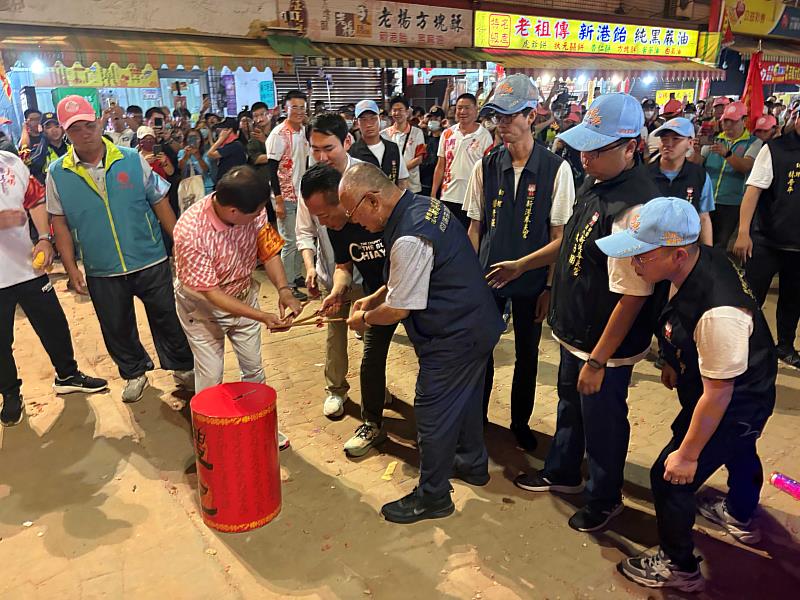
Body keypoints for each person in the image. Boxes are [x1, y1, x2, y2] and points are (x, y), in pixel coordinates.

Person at [602, 199, 776, 592]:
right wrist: (673, 360)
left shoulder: (719, 312)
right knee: (742, 450)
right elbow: (682, 319)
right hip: (737, 386)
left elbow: (718, 396)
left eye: (641, 255)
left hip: (734, 402)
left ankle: (679, 566)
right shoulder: (700, 260)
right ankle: (739, 514)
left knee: (670, 477)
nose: (634, 264)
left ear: (678, 254)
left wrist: (688, 454)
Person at [512, 93, 663, 532]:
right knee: (569, 406)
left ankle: (605, 496)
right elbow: (574, 240)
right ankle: (562, 472)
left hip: (605, 345)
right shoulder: (597, 184)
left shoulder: (634, 209)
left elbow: (633, 296)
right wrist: (526, 264)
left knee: (604, 423)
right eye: (584, 146)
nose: (586, 156)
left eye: (598, 149)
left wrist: (599, 360)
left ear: (631, 147)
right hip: (576, 330)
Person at [340, 162, 505, 524]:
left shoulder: (409, 234)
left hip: (455, 334)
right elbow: (409, 276)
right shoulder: (421, 206)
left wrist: (364, 319)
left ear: (372, 200)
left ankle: (433, 496)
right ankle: (473, 463)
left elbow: (399, 308)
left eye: (355, 214)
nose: (356, 223)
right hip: (477, 322)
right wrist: (373, 297)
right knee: (465, 403)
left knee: (431, 416)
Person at [46, 95, 194, 403]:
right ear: (65, 132)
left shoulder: (130, 157)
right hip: (102, 267)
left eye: (89, 124)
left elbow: (159, 201)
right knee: (116, 325)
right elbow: (59, 223)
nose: (85, 133)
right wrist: (72, 269)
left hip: (149, 257)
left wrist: (180, 243)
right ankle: (134, 373)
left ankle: (182, 366)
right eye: (75, 129)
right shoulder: (57, 172)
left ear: (99, 122)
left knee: (167, 316)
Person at [462, 74, 576, 450]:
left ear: (531, 114)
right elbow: (475, 227)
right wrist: (468, 278)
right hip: (489, 277)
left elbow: (560, 239)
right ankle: (477, 420)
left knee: (527, 354)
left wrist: (545, 283)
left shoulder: (556, 169)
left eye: (511, 117)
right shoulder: (487, 165)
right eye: (497, 117)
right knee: (481, 350)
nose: (503, 125)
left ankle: (520, 423)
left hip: (530, 282)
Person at [173, 165, 300, 449]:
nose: (259, 217)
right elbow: (214, 296)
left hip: (243, 294)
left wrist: (284, 291)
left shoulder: (252, 210)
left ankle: (261, 426)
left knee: (254, 369)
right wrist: (263, 316)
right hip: (203, 311)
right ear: (232, 211)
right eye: (255, 213)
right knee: (210, 376)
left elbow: (268, 250)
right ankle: (210, 439)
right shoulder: (190, 232)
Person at [0, 151, 108, 427]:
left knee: (54, 325)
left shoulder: (10, 162)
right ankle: (10, 394)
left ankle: (67, 375)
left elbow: (35, 199)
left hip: (27, 267)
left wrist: (45, 239)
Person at [301, 154, 395, 457]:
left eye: (325, 215)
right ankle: (372, 424)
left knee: (431, 356)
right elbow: (343, 265)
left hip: (409, 292)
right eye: (317, 218)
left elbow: (408, 275)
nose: (322, 223)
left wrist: (374, 303)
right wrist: (338, 292)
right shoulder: (335, 226)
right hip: (374, 292)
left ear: (343, 199)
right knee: (371, 357)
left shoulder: (383, 216)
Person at [295, 114, 365, 420]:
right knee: (335, 333)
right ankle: (336, 389)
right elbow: (304, 231)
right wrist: (310, 266)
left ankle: (378, 387)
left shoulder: (364, 177)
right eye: (315, 149)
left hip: (370, 275)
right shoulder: (310, 182)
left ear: (346, 142)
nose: (321, 157)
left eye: (328, 148)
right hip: (333, 271)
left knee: (373, 335)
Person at [734, 112, 800, 368]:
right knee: (750, 296)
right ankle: (742, 345)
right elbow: (753, 191)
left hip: (798, 245)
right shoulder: (775, 149)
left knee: (793, 300)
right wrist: (743, 232)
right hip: (766, 239)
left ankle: (784, 346)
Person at [694, 101, 761, 249]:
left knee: (720, 243)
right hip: (707, 200)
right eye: (725, 121)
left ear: (743, 121)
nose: (728, 125)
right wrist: (696, 151)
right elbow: (697, 163)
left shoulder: (754, 143)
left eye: (732, 121)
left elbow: (745, 166)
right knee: (700, 240)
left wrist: (727, 154)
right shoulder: (715, 139)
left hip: (732, 202)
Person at [266, 90, 310, 301]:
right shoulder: (278, 134)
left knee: (300, 238)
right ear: (286, 109)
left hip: (302, 195)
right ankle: (287, 285)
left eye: (302, 107)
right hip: (286, 195)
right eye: (295, 107)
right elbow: (271, 169)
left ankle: (297, 275)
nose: (299, 111)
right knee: (289, 241)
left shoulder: (303, 131)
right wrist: (279, 201)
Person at [648, 117, 714, 245]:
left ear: (690, 143)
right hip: (651, 247)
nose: (668, 144)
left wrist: (708, 254)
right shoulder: (646, 175)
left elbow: (704, 217)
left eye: (676, 139)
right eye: (664, 139)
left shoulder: (699, 176)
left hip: (685, 247)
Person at [432, 94, 494, 228]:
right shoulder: (447, 133)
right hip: (448, 195)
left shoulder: (484, 136)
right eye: (459, 108)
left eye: (467, 108)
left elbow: (488, 170)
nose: (462, 112)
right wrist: (433, 193)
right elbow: (440, 166)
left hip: (472, 197)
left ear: (475, 110)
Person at [349, 99, 409, 187]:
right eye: (363, 120)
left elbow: (402, 179)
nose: (369, 124)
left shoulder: (392, 148)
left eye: (373, 118)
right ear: (357, 123)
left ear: (379, 119)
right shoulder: (352, 152)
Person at [382, 95, 426, 193]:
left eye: (400, 110)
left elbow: (419, 159)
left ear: (407, 112)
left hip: (412, 186)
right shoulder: (384, 134)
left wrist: (399, 171)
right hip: (391, 187)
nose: (397, 113)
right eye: (394, 110)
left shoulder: (417, 132)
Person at [28, 112, 69, 185]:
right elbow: (34, 168)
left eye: (57, 126)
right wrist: (43, 139)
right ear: (42, 130)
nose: (54, 130)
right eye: (48, 127)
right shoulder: (39, 151)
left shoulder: (70, 147)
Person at [207, 117, 247, 184]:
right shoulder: (231, 145)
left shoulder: (234, 145)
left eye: (220, 131)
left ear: (229, 131)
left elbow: (210, 154)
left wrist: (221, 139)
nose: (219, 134)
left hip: (232, 184)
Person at [178, 128, 214, 194]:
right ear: (186, 140)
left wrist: (198, 157)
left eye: (196, 138)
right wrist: (186, 156)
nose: (193, 140)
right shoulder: (182, 153)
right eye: (190, 138)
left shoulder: (206, 153)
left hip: (205, 186)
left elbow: (206, 169)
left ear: (200, 140)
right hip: (188, 187)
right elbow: (180, 167)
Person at [419, 106, 445, 197]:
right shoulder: (424, 138)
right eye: (431, 118)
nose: (433, 120)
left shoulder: (445, 139)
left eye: (436, 118)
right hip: (423, 183)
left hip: (439, 185)